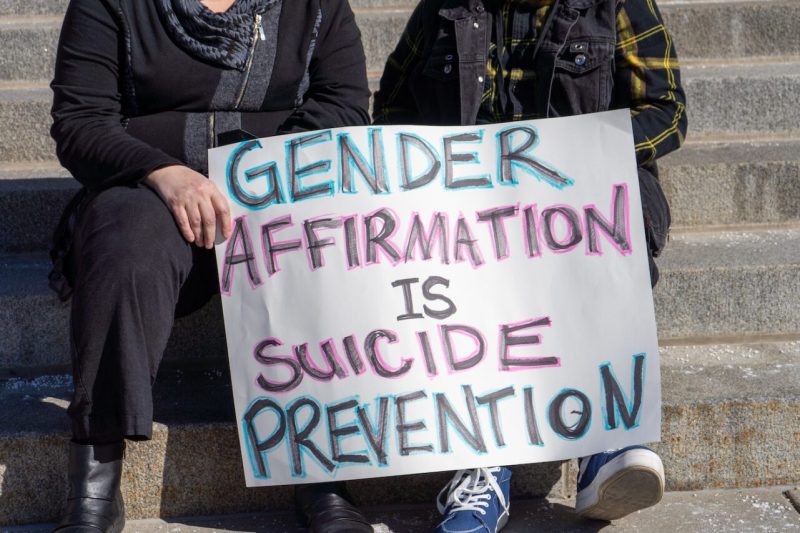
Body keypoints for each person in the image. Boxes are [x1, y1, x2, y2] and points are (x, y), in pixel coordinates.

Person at [49, 0, 373, 531]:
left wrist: (258, 170)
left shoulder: (317, 6)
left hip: (274, 187)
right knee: (124, 246)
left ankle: (324, 471)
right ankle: (95, 480)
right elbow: (80, 124)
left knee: (325, 236)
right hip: (147, 189)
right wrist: (162, 171)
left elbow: (345, 105)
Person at [373, 0, 687, 530]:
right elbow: (392, 111)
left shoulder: (615, 4)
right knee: (445, 255)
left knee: (615, 220)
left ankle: (602, 436)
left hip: (584, 189)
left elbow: (666, 109)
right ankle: (483, 461)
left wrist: (566, 156)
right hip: (470, 206)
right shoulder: (443, 10)